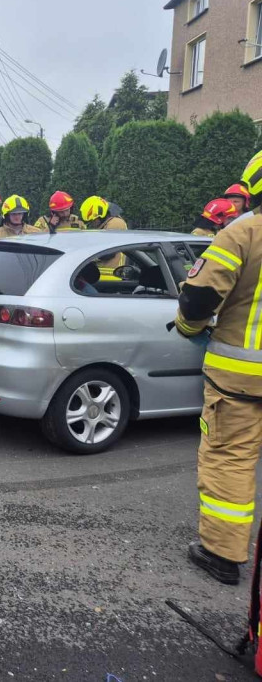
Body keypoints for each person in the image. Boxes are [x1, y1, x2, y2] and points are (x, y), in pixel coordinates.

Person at [173, 149, 262, 585]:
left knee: (230, 460)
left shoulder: (243, 233)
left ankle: (222, 555)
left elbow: (198, 298)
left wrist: (188, 328)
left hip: (241, 381)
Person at [81, 196, 128, 277]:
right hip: (103, 274)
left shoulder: (115, 223)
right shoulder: (105, 225)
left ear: (101, 214)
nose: (92, 223)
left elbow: (108, 253)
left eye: (93, 220)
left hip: (112, 275)